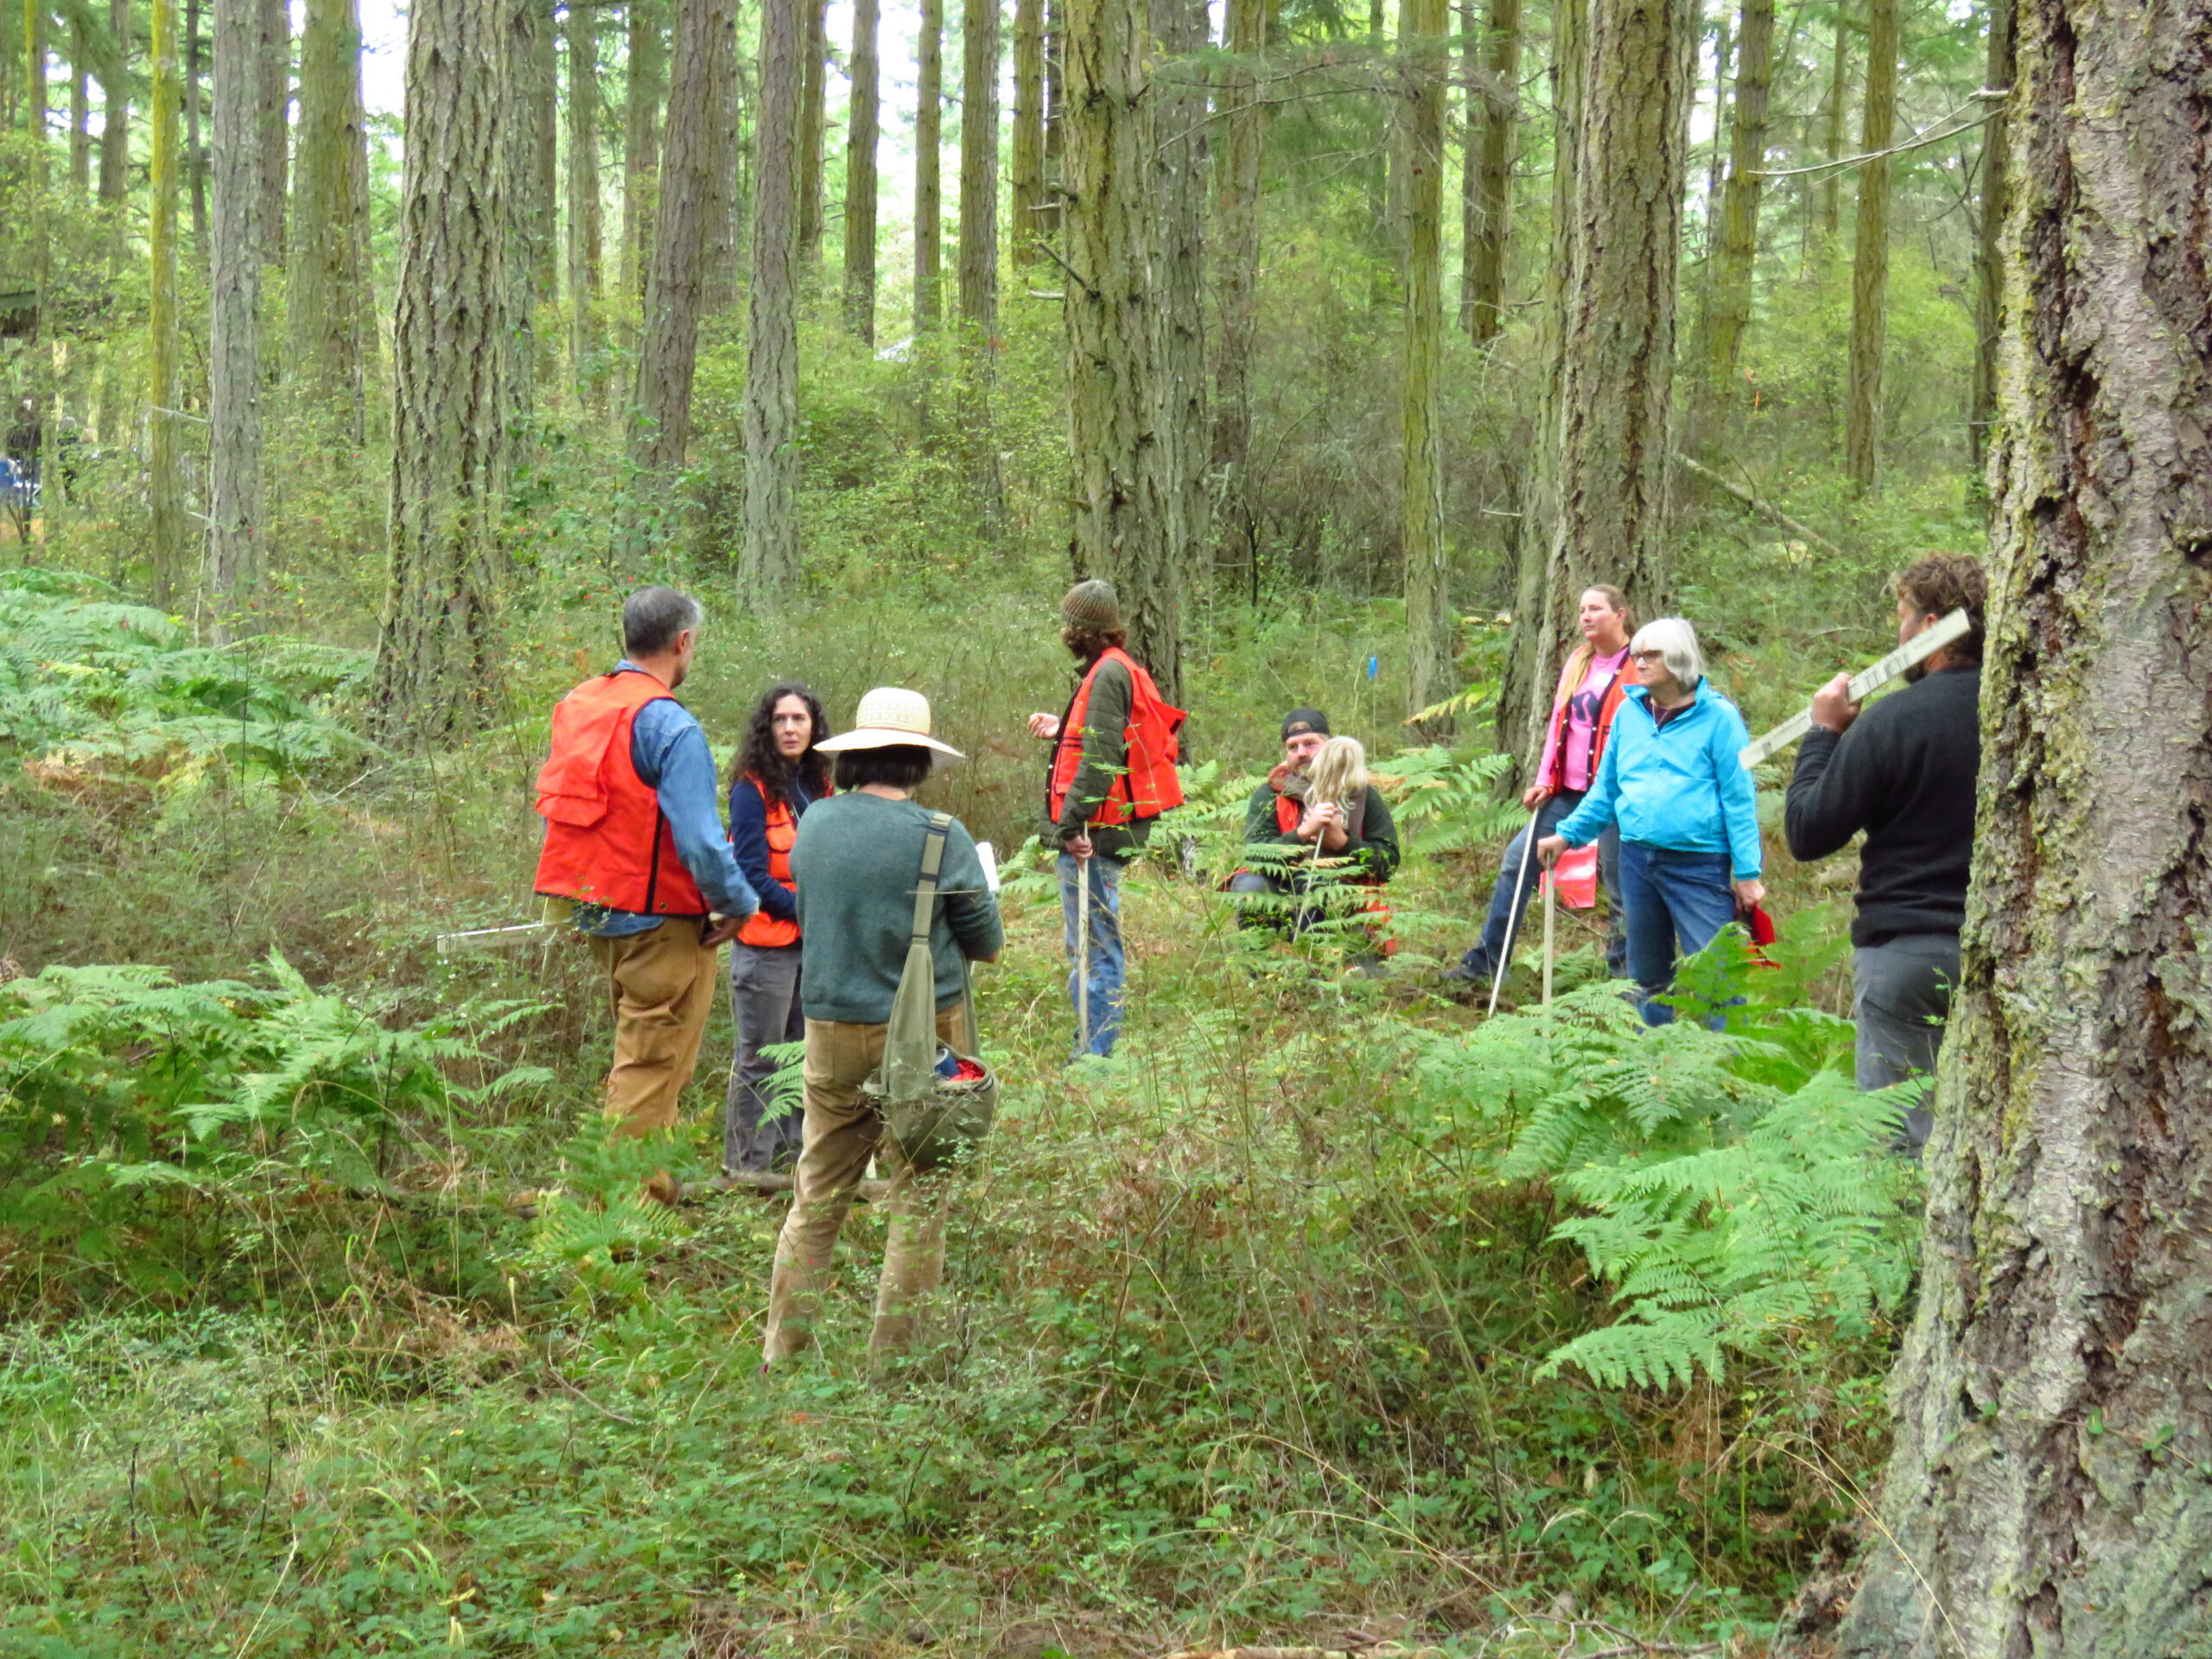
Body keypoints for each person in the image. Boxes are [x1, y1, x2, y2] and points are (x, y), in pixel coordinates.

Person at [764, 687, 1004, 1365]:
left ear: (854, 759)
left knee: (816, 1196)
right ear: (919, 764)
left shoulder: (816, 825)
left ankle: (783, 1355)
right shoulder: (941, 835)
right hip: (925, 1036)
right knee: (920, 1199)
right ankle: (894, 1369)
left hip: (831, 1029)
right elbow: (986, 942)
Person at [534, 588, 760, 1202]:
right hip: (659, 919)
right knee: (653, 1062)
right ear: (682, 642)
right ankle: (617, 1216)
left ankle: (648, 1186)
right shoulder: (668, 723)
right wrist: (738, 903)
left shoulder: (581, 703)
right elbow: (702, 843)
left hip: (593, 908)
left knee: (640, 1053)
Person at [1783, 553, 1986, 1152]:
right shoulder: (2033, 715)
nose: (1896, 635)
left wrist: (1823, 736)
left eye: (1901, 617)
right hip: (2008, 954)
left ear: (1930, 627)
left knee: (1898, 1140)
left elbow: (1808, 831)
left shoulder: (1892, 721)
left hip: (1906, 956)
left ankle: (1899, 1246)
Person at [1537, 619, 1764, 1027]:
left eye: (1651, 654)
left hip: (1698, 864)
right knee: (1648, 975)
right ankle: (1655, 1067)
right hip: (1637, 860)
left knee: (1718, 976)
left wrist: (1747, 872)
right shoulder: (1629, 713)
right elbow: (1607, 789)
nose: (1639, 663)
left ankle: (1731, 1068)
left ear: (1679, 658)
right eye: (1637, 654)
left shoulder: (1719, 717)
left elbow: (1738, 797)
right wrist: (1567, 836)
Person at [1445, 586, 1637, 991]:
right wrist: (1543, 779)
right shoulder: (1579, 662)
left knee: (1621, 885)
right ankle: (1487, 964)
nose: (1586, 616)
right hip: (1567, 792)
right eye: (1582, 609)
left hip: (1617, 795)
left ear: (1620, 614)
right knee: (1517, 862)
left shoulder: (1638, 664)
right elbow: (1557, 725)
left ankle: (1625, 983)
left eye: (1596, 609)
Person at [1026, 579, 1185, 1059]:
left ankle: (1095, 1058)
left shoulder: (1108, 674)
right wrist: (1061, 730)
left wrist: (1070, 828)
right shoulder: (1115, 670)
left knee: (1095, 949)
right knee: (1090, 944)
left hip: (1095, 835)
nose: (1064, 630)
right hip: (1103, 830)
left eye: (1068, 622)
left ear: (1080, 628)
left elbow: (1099, 763)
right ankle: (1090, 1047)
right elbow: (1104, 741)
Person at [721, 680, 832, 1182]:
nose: (790, 728)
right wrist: (804, 910)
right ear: (767, 728)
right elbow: (749, 870)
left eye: (799, 720)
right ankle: (747, 1170)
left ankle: (791, 1170)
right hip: (764, 947)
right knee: (761, 1059)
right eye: (781, 720)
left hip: (812, 946)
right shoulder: (751, 789)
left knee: (800, 1057)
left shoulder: (819, 785)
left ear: (814, 728)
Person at [1229, 709, 1401, 933]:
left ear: (1329, 746)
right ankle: (1262, 960)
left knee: (1362, 966)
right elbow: (1254, 856)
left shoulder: (1361, 793)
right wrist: (1301, 835)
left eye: (1310, 744)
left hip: (1346, 893)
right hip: (1280, 888)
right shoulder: (1271, 793)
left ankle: (1338, 957)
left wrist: (1342, 843)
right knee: (1249, 885)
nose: (1301, 753)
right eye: (1292, 747)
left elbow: (1388, 861)